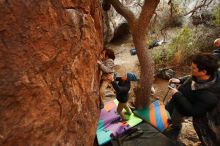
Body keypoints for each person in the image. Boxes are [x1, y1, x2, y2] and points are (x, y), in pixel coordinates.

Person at [165, 53, 220, 146]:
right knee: (174, 114)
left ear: (204, 72)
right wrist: (180, 80)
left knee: (207, 138)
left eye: (193, 68)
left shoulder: (210, 96)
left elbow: (192, 111)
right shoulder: (209, 73)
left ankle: (176, 127)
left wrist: (177, 95)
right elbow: (192, 77)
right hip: (182, 100)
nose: (191, 68)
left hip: (196, 113)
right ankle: (175, 125)